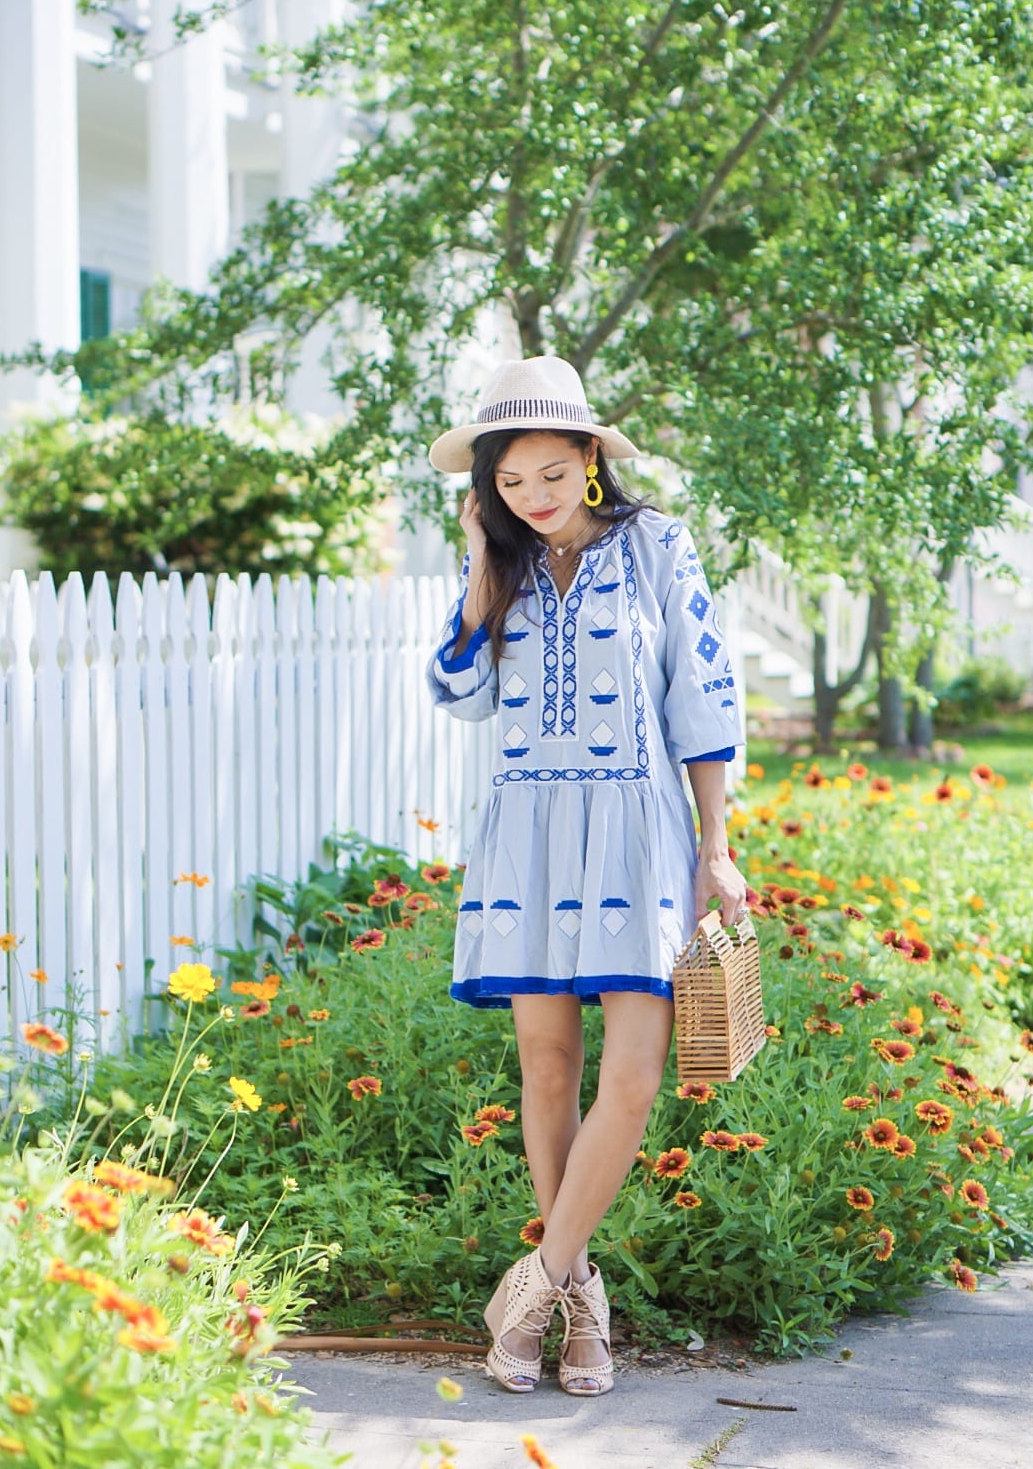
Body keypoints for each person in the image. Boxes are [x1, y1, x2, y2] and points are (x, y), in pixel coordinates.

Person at [425, 356, 747, 1398]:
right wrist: (482, 558)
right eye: (510, 483)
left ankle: (535, 1282)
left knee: (635, 1075)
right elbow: (458, 690)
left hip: (636, 829)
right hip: (528, 831)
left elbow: (703, 699)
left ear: (591, 459)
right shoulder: (503, 565)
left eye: (551, 472)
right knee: (548, 1068)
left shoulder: (657, 546)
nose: (535, 496)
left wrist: (717, 844)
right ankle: (579, 1308)